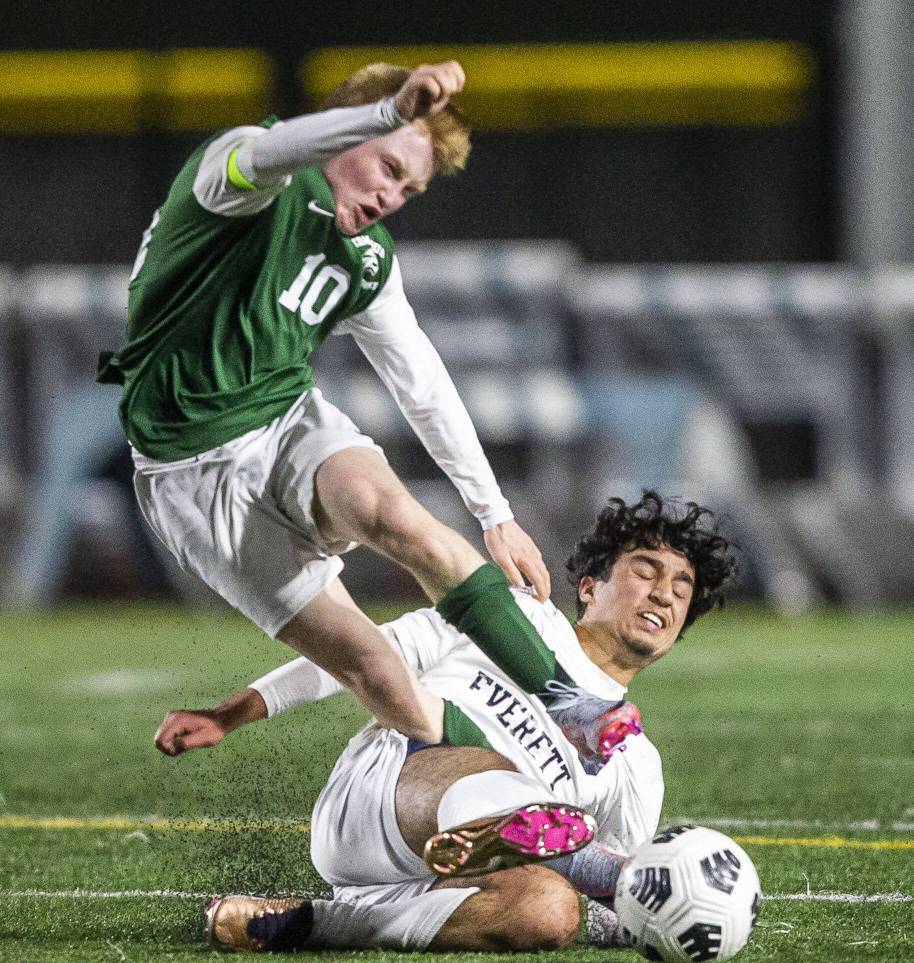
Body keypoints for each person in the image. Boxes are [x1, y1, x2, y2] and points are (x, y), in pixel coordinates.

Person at [97, 60, 588, 746]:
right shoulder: (236, 174)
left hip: (286, 420)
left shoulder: (367, 258)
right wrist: (388, 113)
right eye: (388, 168)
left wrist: (495, 515)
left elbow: (418, 376)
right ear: (341, 135)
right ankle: (503, 781)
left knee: (391, 513)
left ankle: (575, 706)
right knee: (374, 669)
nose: (393, 196)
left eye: (410, 189)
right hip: (190, 477)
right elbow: (274, 151)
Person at [155, 493, 738, 952]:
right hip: (380, 803)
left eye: (681, 589)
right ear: (589, 586)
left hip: (442, 884)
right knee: (482, 767)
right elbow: (364, 654)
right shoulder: (514, 618)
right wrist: (235, 712)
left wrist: (665, 915)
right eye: (646, 571)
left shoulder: (636, 762)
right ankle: (535, 829)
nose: (663, 594)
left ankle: (322, 922)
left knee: (549, 911)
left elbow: (627, 906)